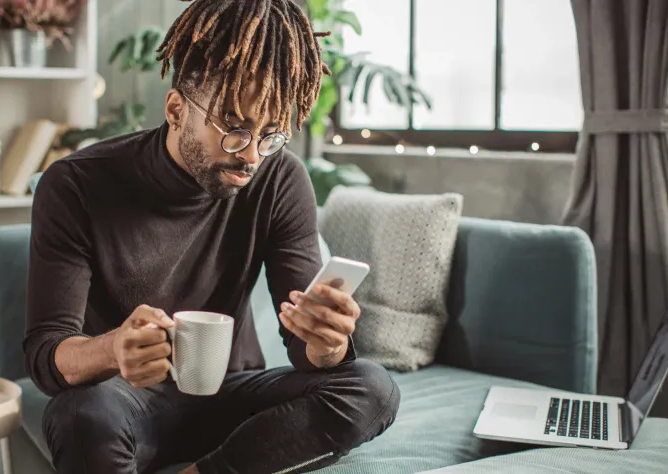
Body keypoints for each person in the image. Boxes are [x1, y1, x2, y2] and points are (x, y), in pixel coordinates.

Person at [23, 0, 400, 472]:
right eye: (235, 129)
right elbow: (46, 353)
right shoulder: (76, 184)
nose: (252, 156)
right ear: (177, 109)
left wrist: (327, 347)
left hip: (234, 400)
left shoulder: (279, 178)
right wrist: (111, 349)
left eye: (270, 135)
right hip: (127, 402)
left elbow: (304, 350)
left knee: (372, 388)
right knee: (79, 416)